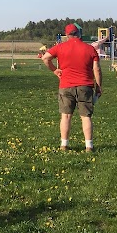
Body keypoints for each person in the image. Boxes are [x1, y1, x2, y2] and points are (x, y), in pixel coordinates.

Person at [41, 23, 102, 153]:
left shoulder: (60, 47)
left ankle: (64, 145)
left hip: (66, 85)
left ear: (67, 35)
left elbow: (45, 58)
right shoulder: (90, 49)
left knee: (66, 116)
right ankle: (89, 146)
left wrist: (55, 70)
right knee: (86, 117)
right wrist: (99, 86)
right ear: (79, 34)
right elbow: (96, 68)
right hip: (85, 86)